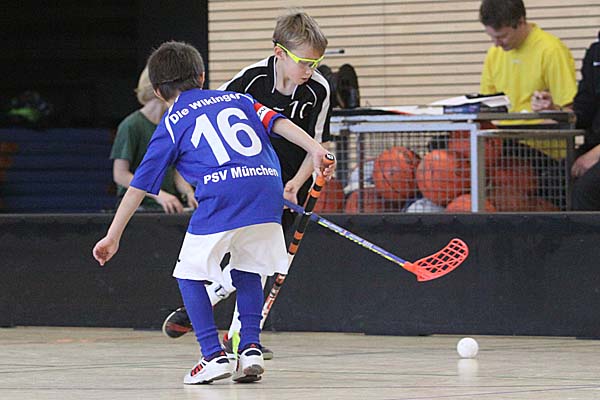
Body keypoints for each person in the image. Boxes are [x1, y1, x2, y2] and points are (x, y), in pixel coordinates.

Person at [92, 41, 334, 385]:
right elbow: (277, 122)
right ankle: (250, 348)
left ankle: (212, 355)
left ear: (158, 91)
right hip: (268, 187)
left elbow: (138, 186)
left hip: (223, 193)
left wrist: (113, 236)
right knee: (250, 269)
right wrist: (315, 148)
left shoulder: (172, 122)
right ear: (202, 76)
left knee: (189, 274)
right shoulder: (239, 99)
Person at [161, 10, 331, 358]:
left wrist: (295, 184)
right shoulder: (250, 80)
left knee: (262, 259)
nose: (310, 71)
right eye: (304, 62)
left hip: (288, 185)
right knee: (247, 257)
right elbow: (208, 117)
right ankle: (217, 303)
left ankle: (239, 336)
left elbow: (316, 142)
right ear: (279, 52)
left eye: (316, 63)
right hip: (246, 180)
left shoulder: (319, 89)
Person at [478, 0, 577, 208]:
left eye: (502, 36)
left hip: (541, 150)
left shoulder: (551, 50)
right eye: (492, 38)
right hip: (504, 143)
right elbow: (486, 105)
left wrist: (551, 109)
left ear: (521, 22)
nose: (497, 44)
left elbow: (571, 111)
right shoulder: (494, 54)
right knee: (443, 145)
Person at [110, 66, 197, 213]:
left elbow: (175, 170)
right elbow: (120, 174)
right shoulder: (131, 126)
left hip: (167, 207)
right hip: (138, 209)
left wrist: (189, 192)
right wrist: (159, 195)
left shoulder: (172, 125)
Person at [570, 33, 600, 210]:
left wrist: (597, 154)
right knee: (552, 178)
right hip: (592, 143)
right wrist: (557, 110)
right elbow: (585, 108)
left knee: (586, 190)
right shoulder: (595, 53)